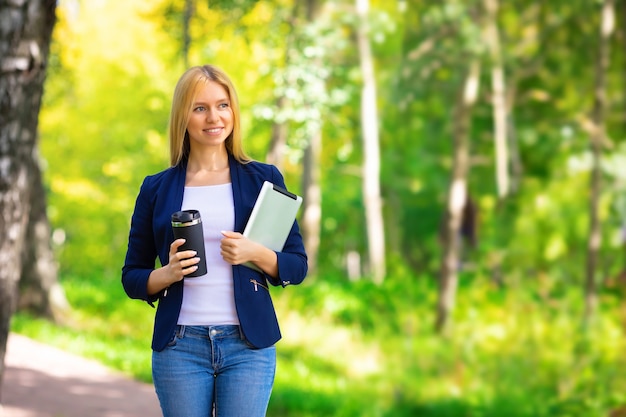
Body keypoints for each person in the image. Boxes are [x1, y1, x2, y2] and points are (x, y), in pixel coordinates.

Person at [121, 64, 308, 417]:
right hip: (180, 346)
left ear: (234, 111)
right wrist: (168, 273)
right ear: (184, 117)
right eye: (200, 107)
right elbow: (132, 276)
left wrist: (256, 253)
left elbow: (297, 266)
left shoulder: (263, 179)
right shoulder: (156, 188)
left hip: (248, 347)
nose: (214, 117)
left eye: (223, 105)